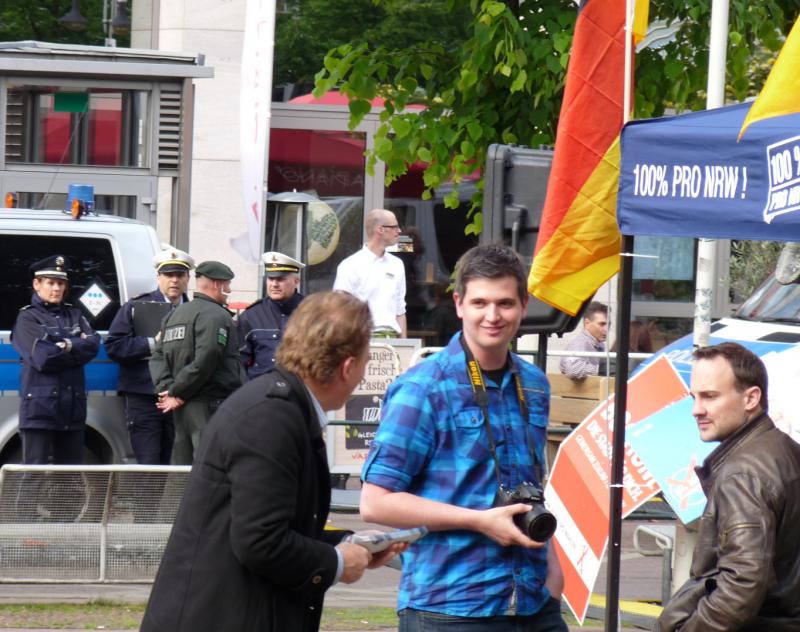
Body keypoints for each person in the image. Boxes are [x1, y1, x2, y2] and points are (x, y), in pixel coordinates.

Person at [140, 291, 405, 632]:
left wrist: (345, 542)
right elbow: (260, 541)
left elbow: (274, 522)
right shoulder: (271, 416)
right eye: (366, 363)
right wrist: (338, 562)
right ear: (348, 367)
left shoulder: (282, 406)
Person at [360, 244, 567, 631]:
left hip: (535, 602)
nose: (492, 316)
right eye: (480, 303)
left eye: (505, 303)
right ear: (459, 304)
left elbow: (529, 487)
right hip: (450, 607)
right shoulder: (423, 387)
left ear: (523, 305)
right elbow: (375, 503)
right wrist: (479, 521)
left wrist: (554, 574)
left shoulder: (535, 385)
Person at [655, 342, 800, 631]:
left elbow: (742, 583)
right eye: (693, 397)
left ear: (751, 398)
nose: (697, 410)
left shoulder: (743, 473)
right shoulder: (782, 449)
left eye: (709, 396)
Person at [149, 260, 245, 464]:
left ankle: (177, 498)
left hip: (182, 407)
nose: (229, 290)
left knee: (181, 466)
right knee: (210, 466)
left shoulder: (173, 315)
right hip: (209, 404)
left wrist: (169, 390)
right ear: (217, 284)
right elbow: (207, 358)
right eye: (227, 284)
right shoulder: (216, 315)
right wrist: (176, 392)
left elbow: (157, 356)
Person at [104, 248, 194, 464]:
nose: (174, 280)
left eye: (180, 275)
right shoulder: (136, 307)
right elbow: (115, 346)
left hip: (183, 398)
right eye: (168, 275)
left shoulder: (196, 311)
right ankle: (148, 500)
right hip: (144, 397)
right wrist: (153, 343)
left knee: (177, 465)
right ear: (158, 277)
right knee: (148, 465)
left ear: (188, 278)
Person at [11, 255, 100, 464]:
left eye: (61, 283)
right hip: (39, 411)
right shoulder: (27, 318)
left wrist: (65, 345)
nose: (57, 288)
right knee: (34, 478)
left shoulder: (75, 315)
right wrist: (77, 345)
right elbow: (44, 358)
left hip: (72, 411)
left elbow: (94, 345)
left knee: (70, 479)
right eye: (51, 283)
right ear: (37, 284)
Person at [333, 208, 407, 337]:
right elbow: (339, 310)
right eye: (395, 227)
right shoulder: (350, 265)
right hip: (361, 338)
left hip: (393, 339)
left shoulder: (397, 264)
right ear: (380, 230)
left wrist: (405, 348)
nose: (399, 231)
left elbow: (400, 311)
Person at [236, 251, 305, 379]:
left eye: (280, 279)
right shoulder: (251, 316)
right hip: (261, 393)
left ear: (296, 281)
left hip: (300, 393)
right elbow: (237, 364)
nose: (274, 284)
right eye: (271, 278)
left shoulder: (312, 312)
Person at [559, 301, 608, 380]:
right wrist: (601, 370)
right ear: (587, 323)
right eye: (601, 324)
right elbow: (573, 370)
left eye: (608, 324)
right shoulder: (580, 343)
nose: (606, 329)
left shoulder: (599, 344)